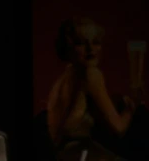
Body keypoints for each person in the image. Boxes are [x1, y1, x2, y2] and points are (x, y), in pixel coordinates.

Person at [46, 17, 136, 160]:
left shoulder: (64, 78)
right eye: (81, 43)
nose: (90, 49)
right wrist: (131, 107)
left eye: (96, 42)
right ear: (69, 47)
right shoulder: (90, 74)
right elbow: (119, 127)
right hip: (81, 153)